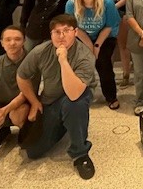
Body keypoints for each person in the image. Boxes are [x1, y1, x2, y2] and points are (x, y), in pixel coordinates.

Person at [17, 14, 96, 180]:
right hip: (50, 100)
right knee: (33, 152)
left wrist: (63, 60)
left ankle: (80, 153)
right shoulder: (41, 51)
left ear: (75, 32)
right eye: (56, 32)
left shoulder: (85, 56)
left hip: (77, 96)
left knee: (74, 105)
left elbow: (74, 93)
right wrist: (34, 101)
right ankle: (68, 124)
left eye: (66, 31)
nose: (61, 36)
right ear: (51, 35)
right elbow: (22, 76)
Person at [65, 0, 121, 109]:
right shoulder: (72, 4)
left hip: (105, 36)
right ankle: (80, 94)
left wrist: (96, 46)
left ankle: (111, 96)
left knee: (103, 63)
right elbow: (74, 28)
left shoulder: (107, 2)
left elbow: (109, 26)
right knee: (82, 64)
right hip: (82, 35)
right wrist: (89, 46)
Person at [99, 0, 133, 89]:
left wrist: (117, 5)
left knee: (123, 45)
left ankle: (126, 75)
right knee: (107, 46)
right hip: (106, 11)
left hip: (122, 11)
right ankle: (108, 76)